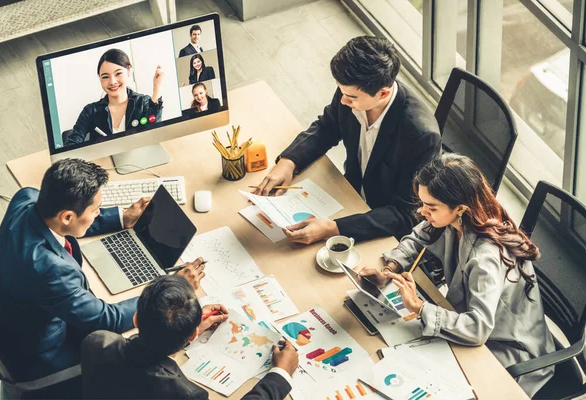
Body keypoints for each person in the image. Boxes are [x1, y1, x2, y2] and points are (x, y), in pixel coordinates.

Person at [0, 158, 206, 381]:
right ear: (68, 217)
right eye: (95, 210)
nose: (99, 213)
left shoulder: (26, 198)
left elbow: (64, 224)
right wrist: (173, 291)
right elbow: (106, 319)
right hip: (40, 356)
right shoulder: (51, 271)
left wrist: (122, 217)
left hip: (6, 322)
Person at [358, 153, 555, 397]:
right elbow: (418, 238)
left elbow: (478, 329)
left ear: (460, 208)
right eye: (422, 203)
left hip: (507, 348)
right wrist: (389, 270)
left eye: (431, 208)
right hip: (468, 323)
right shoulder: (455, 218)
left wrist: (419, 308)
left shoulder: (486, 258)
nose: (422, 212)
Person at [253, 36, 440, 245]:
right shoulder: (352, 90)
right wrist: (289, 162)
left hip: (379, 223)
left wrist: (334, 229)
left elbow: (407, 214)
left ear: (383, 93)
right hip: (348, 194)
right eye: (342, 92)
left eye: (351, 97)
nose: (343, 100)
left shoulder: (421, 136)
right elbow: (327, 127)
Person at [81, 275, 297, 399]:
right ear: (194, 334)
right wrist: (280, 375)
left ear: (136, 319)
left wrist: (181, 329)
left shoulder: (97, 341)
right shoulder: (186, 395)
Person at [65, 48, 165, 145]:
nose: (112, 82)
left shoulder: (143, 103)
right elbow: (72, 144)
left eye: (118, 73)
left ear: (129, 70)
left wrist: (157, 88)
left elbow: (154, 137)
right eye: (105, 77)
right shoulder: (90, 111)